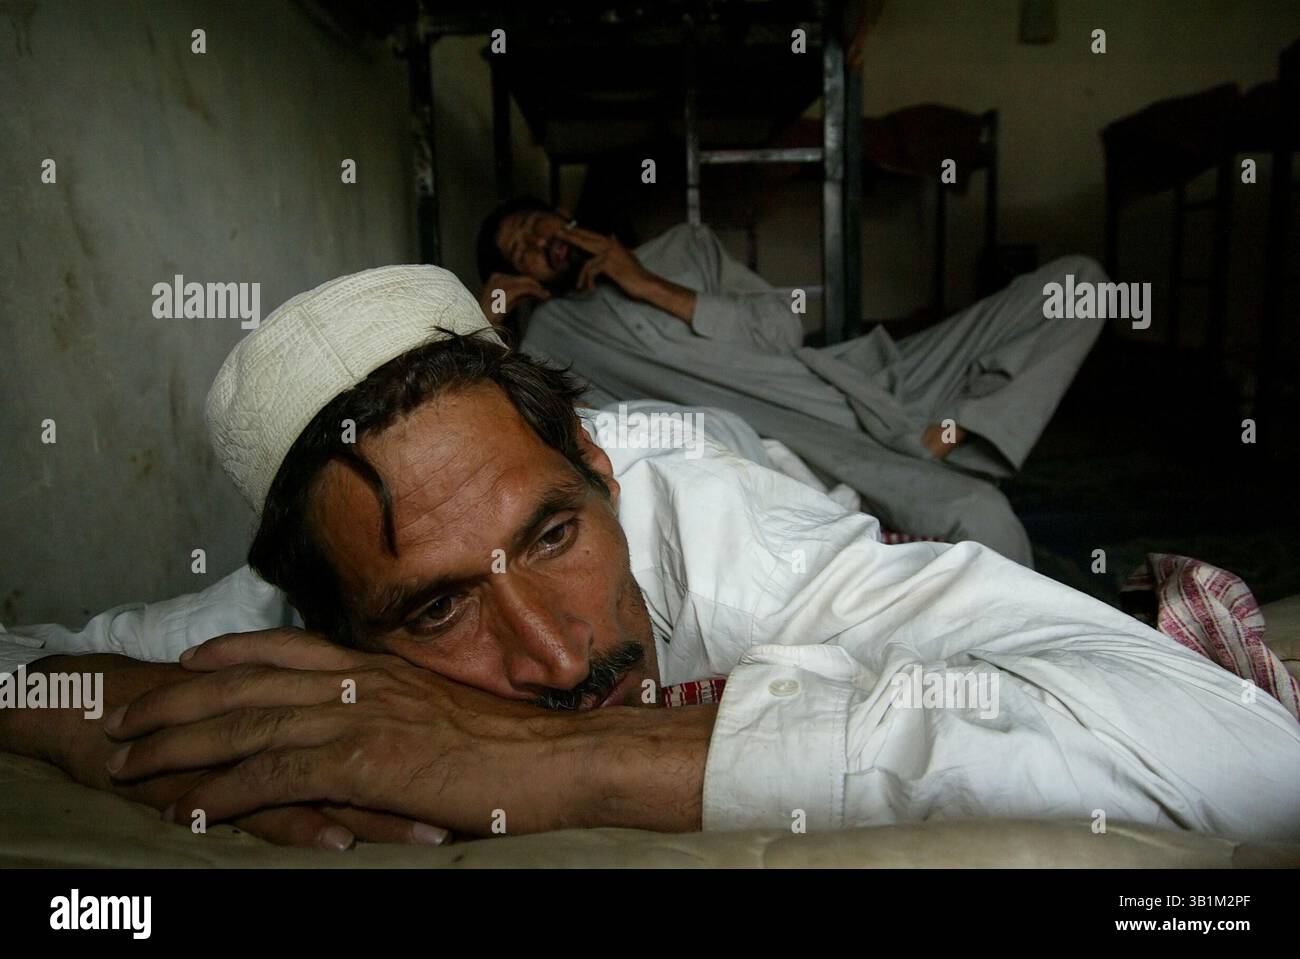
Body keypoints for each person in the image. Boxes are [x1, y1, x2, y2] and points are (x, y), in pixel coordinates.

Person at [3, 265, 1298, 852]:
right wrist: (105, 708)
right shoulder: (276, 615)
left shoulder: (741, 542)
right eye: (441, 605)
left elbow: (1252, 757)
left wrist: (548, 754)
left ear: (602, 468)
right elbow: (26, 659)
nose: (561, 652)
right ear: (331, 620)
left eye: (555, 533)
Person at [477, 197, 1110, 565]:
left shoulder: (683, 248)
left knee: (1078, 285)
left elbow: (785, 326)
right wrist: (490, 323)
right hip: (813, 435)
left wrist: (647, 283)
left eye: (540, 223)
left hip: (864, 376)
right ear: (520, 275)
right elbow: (517, 420)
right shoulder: (555, 337)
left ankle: (954, 435)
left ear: (568, 216)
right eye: (521, 248)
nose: (539, 241)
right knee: (980, 512)